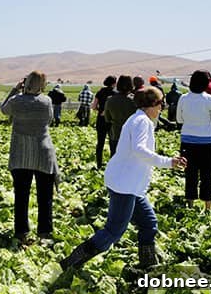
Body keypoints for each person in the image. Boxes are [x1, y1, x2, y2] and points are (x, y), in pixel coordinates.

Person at [59, 87, 187, 273]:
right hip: (125, 185)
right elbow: (139, 149)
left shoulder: (139, 119)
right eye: (161, 103)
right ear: (151, 104)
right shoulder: (141, 121)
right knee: (113, 231)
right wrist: (169, 162)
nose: (163, 107)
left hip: (130, 184)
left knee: (148, 223)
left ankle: (148, 265)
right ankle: (70, 263)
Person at [1, 71, 59, 241]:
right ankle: (44, 233)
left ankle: (21, 232)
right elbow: (48, 120)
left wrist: (14, 90)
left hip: (21, 154)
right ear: (42, 84)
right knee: (45, 196)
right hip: (43, 152)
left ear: (26, 83)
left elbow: (4, 110)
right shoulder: (46, 101)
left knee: (21, 195)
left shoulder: (16, 100)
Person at [176, 70, 211, 211]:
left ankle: (190, 205)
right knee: (207, 175)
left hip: (188, 141)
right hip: (208, 142)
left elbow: (179, 119)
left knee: (190, 174)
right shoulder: (210, 99)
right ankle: (207, 207)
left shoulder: (183, 98)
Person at [104, 75, 136, 156]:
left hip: (116, 134)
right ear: (131, 85)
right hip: (131, 136)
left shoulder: (110, 100)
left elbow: (107, 118)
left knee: (115, 160)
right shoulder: (135, 100)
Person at [91, 76, 116, 167]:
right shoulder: (115, 93)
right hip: (111, 120)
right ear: (114, 83)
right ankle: (112, 164)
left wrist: (101, 110)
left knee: (100, 143)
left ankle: (99, 164)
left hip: (101, 120)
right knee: (112, 143)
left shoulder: (100, 92)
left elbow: (93, 107)